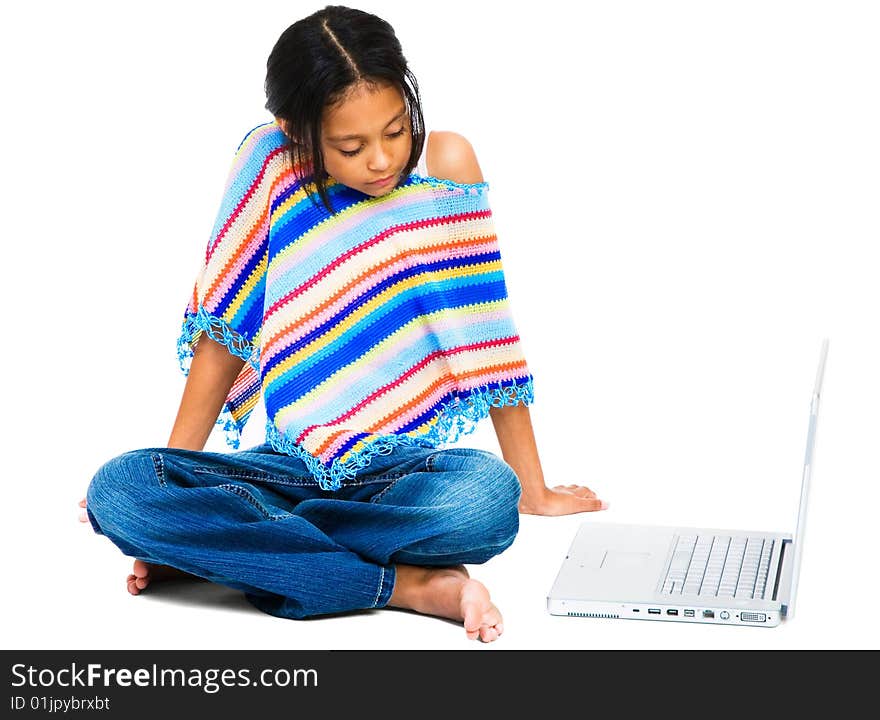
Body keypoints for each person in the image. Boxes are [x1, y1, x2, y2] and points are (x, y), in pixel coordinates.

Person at [80, 4, 606, 643]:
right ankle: (407, 586)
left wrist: (535, 489)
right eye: (350, 147)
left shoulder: (448, 168)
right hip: (289, 465)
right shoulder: (271, 164)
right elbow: (224, 331)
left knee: (486, 503)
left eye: (395, 130)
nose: (382, 160)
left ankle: (235, 549)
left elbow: (486, 344)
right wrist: (173, 470)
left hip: (401, 472)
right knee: (123, 489)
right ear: (296, 130)